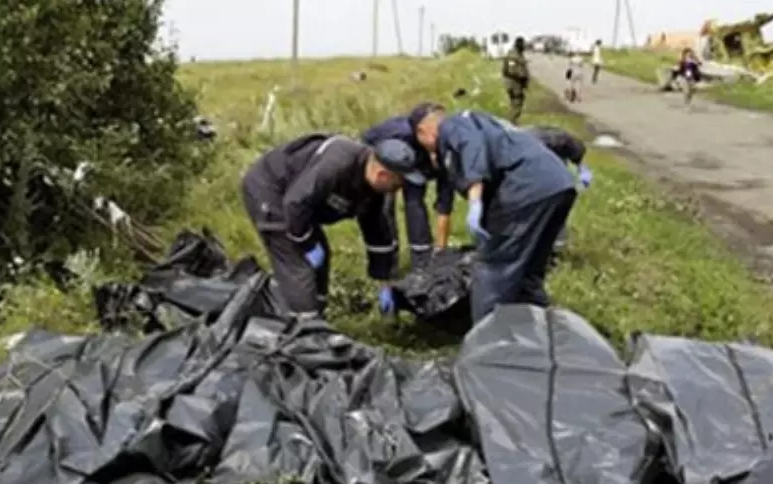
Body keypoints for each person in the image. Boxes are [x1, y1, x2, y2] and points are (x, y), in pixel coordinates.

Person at [411, 107, 577, 323]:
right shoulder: (483, 122)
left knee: (494, 269)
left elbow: (470, 146)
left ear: (423, 131)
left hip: (525, 188)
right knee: (529, 269)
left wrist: (474, 199)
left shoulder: (452, 126)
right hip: (557, 184)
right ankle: (538, 328)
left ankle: (486, 335)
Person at [239, 134, 426, 319]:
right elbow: (295, 204)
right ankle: (303, 324)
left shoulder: (373, 188)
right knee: (297, 263)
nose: (399, 189)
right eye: (398, 182)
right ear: (382, 175)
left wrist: (384, 281)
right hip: (271, 191)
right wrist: (307, 244)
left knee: (321, 257)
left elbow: (376, 230)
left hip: (300, 203)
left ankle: (317, 316)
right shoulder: (336, 166)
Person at [361, 105, 454, 270]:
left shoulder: (448, 150)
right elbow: (364, 146)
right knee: (384, 206)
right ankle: (387, 261)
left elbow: (444, 205)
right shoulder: (396, 132)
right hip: (389, 160)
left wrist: (441, 250)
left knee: (414, 203)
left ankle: (422, 262)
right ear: (420, 131)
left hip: (417, 167)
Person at [501, 37, 530, 123]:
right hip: (514, 85)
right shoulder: (513, 56)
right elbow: (511, 70)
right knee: (517, 103)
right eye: (523, 45)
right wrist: (523, 76)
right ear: (519, 45)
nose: (524, 47)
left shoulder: (517, 54)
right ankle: (511, 123)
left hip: (515, 84)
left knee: (515, 104)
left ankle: (511, 121)